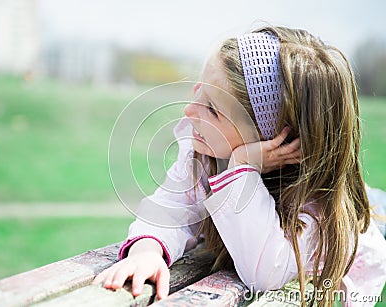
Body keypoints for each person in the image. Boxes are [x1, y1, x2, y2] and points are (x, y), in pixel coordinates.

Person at [94, 26, 386, 306]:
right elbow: (169, 209)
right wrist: (147, 252)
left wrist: (242, 166)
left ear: (274, 140)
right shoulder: (204, 153)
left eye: (212, 109)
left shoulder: (316, 204)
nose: (189, 109)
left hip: (374, 217)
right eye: (199, 89)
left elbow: (265, 273)